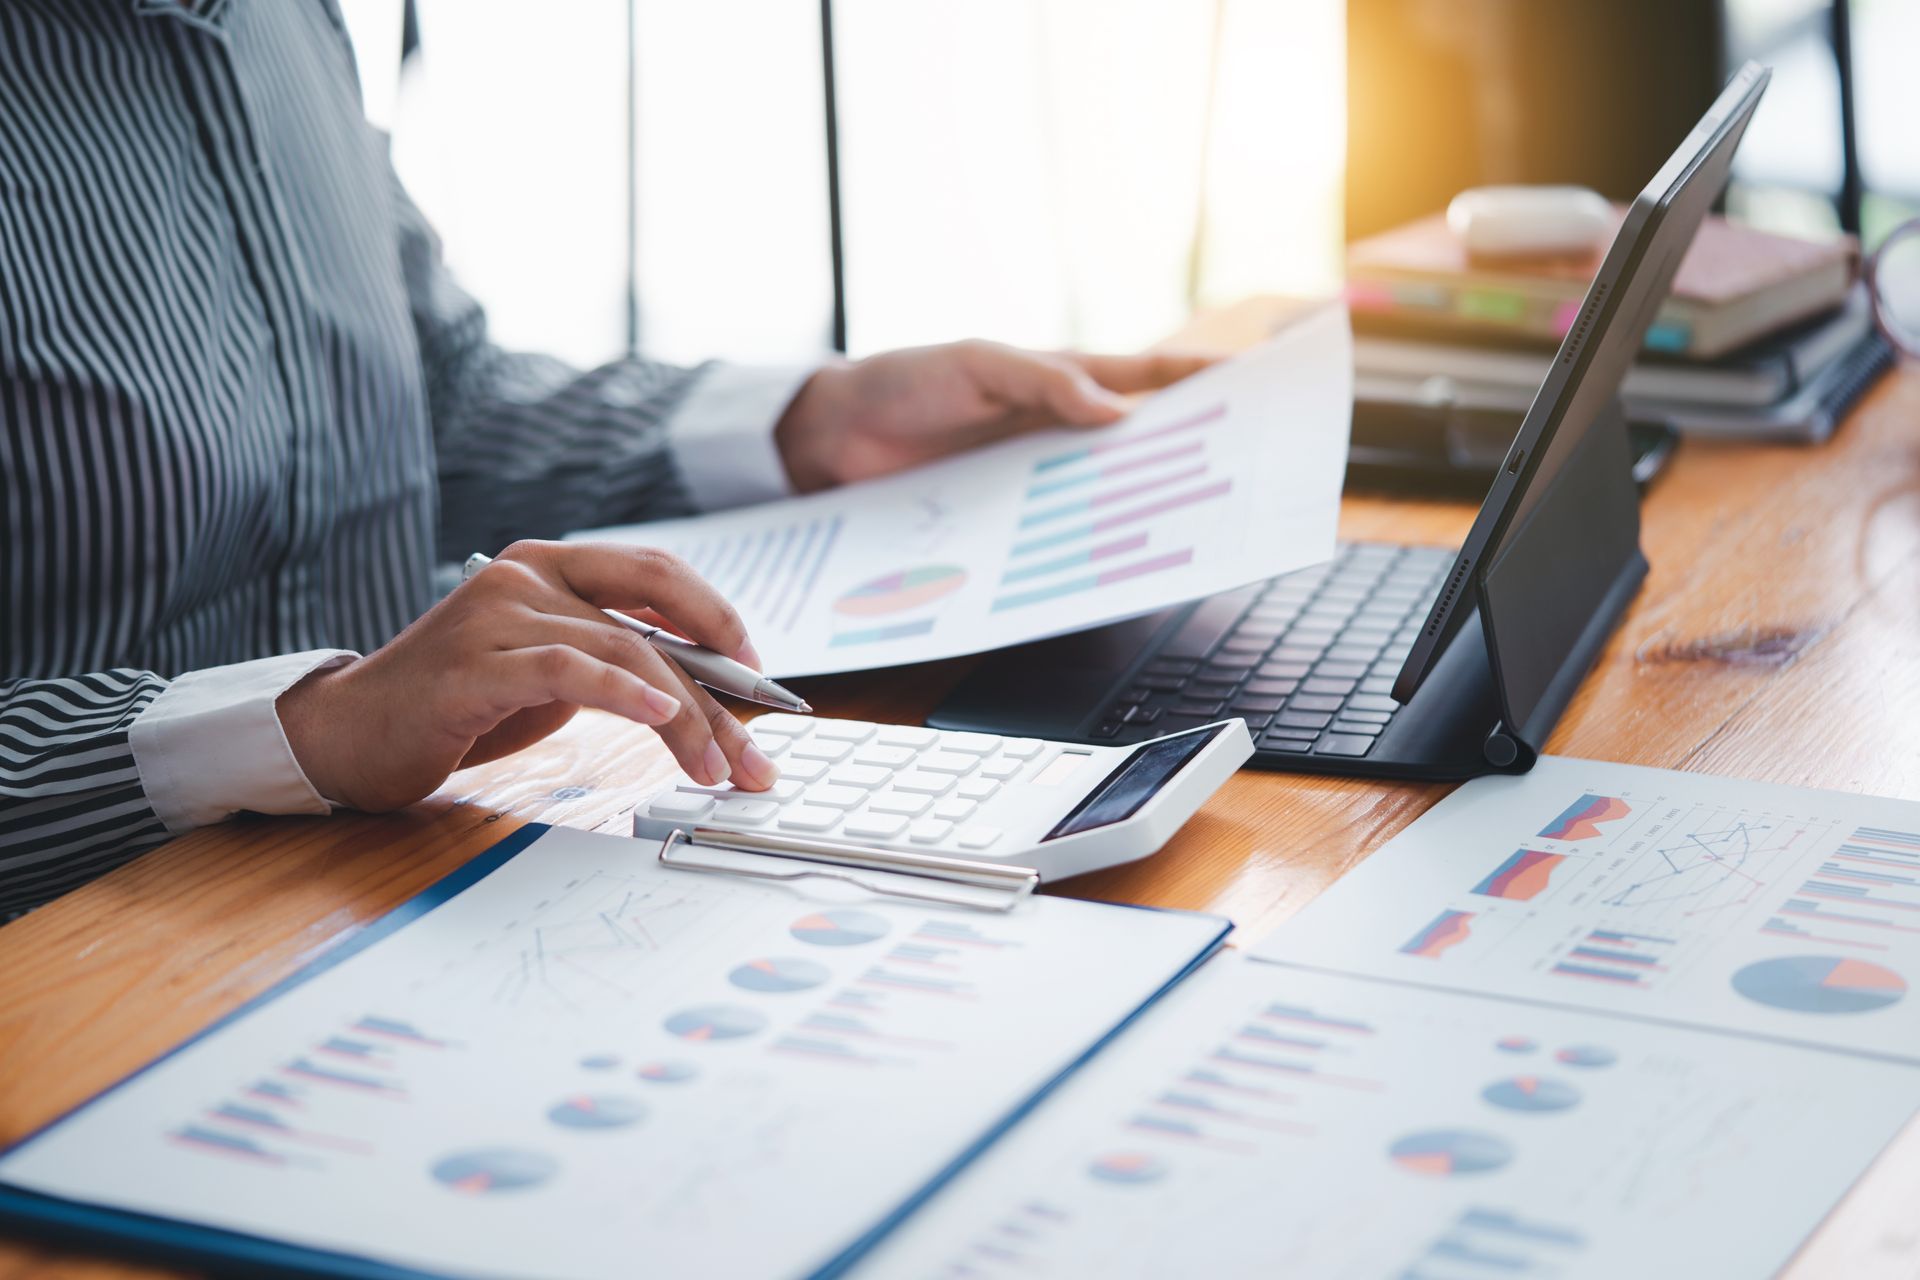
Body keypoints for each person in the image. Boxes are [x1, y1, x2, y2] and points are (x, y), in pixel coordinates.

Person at [0, 1, 1204, 918]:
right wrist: (307, 727)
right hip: (92, 961)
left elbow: (440, 398)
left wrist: (814, 420)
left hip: (416, 882)